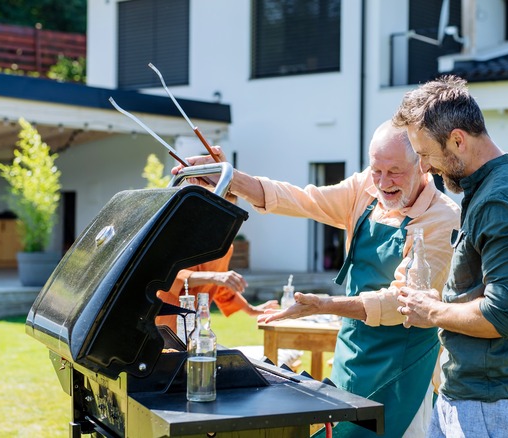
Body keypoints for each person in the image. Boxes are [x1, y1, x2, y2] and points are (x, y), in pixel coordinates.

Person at [174, 120, 460, 438]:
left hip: (404, 365)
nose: (382, 182)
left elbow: (401, 303)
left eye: (394, 172)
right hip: (352, 351)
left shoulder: (442, 217)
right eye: (376, 170)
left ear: (423, 163)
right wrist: (234, 179)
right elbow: (304, 199)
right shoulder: (366, 188)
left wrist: (324, 305)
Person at [392, 75, 508, 437]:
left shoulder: (500, 199)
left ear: (458, 140)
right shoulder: (489, 190)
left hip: (490, 403)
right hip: (469, 395)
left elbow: (506, 313)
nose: (425, 168)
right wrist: (442, 301)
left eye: (425, 154)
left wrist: (432, 312)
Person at [155, 248, 278, 333]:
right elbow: (171, 276)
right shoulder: (186, 237)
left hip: (197, 325)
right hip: (166, 321)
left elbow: (222, 286)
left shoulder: (226, 247)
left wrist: (251, 310)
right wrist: (215, 277)